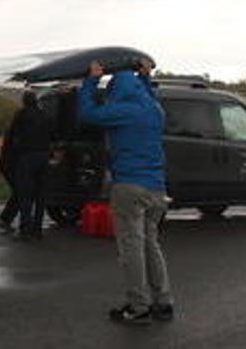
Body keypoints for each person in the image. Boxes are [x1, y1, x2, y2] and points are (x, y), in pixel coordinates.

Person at [77, 59, 174, 325]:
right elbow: (148, 94)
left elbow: (87, 114)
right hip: (157, 188)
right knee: (150, 243)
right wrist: (144, 78)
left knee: (131, 247)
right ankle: (163, 303)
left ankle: (139, 307)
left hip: (130, 186)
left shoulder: (122, 110)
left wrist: (91, 81)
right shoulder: (155, 110)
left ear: (117, 88)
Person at [0, 90, 52, 240]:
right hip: (44, 157)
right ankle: (37, 230)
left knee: (24, 195)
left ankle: (25, 230)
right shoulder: (45, 115)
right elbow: (51, 135)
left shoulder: (21, 114)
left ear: (25, 102)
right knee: (40, 196)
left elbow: (14, 136)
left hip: (27, 158)